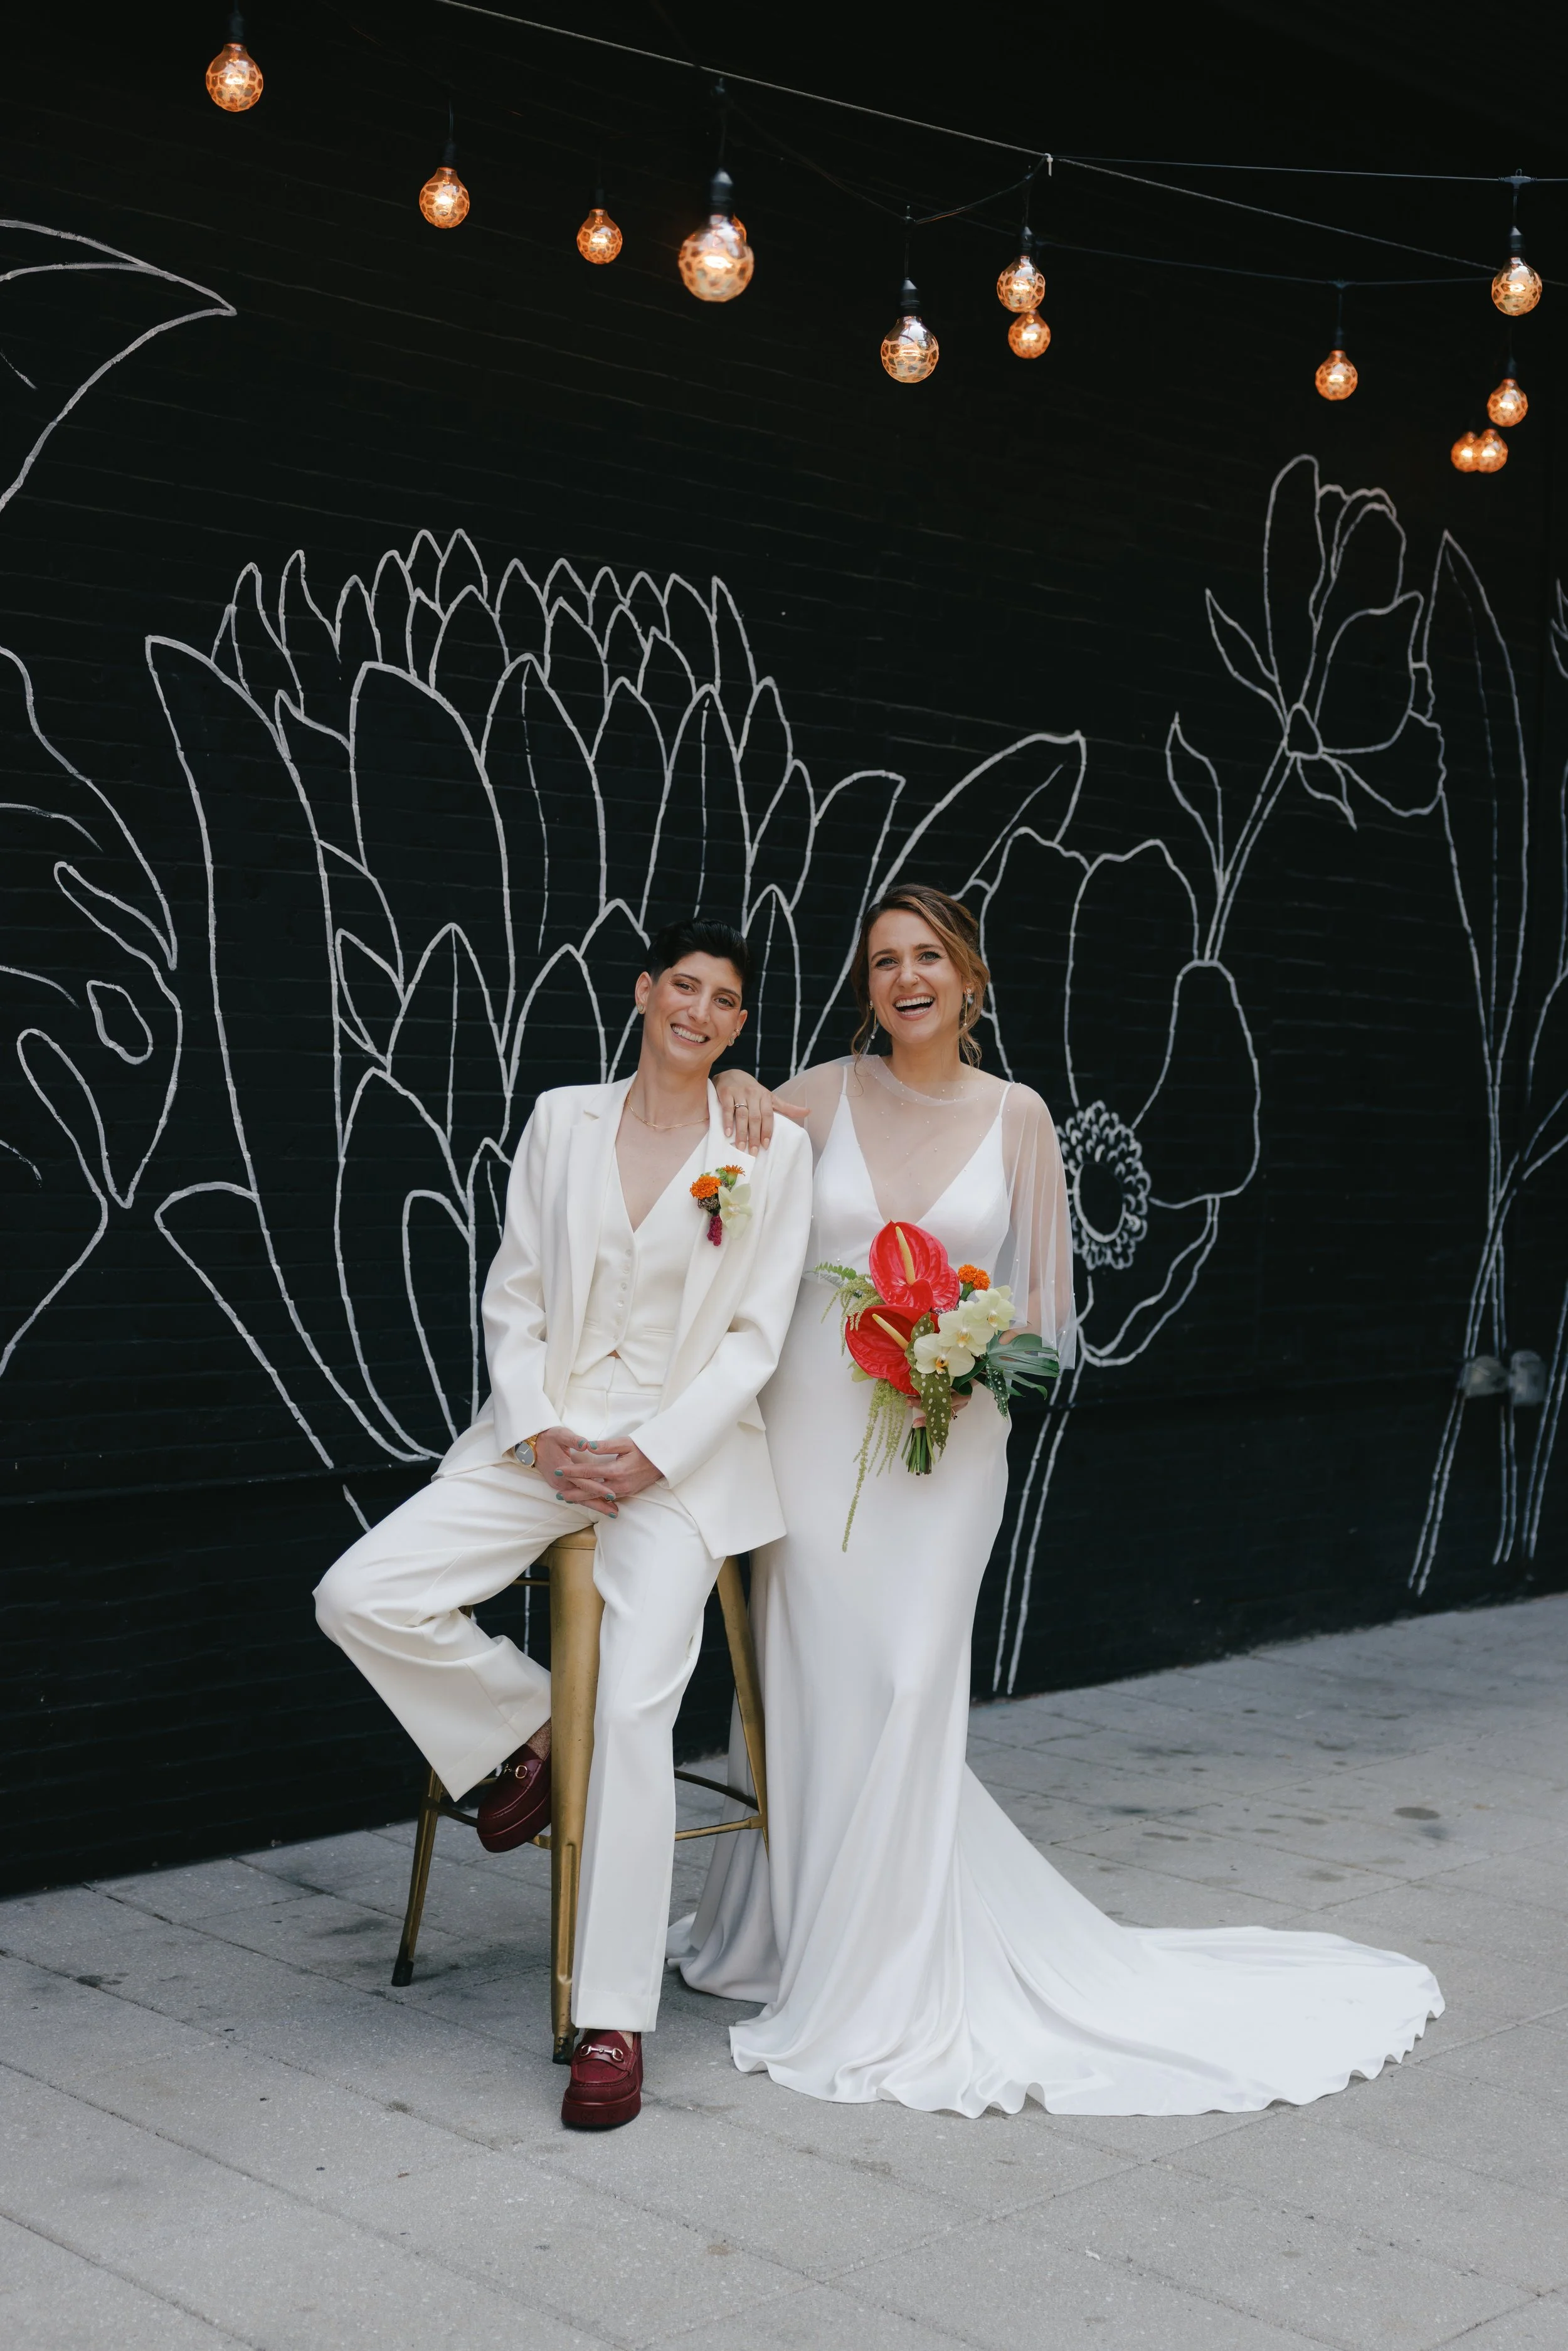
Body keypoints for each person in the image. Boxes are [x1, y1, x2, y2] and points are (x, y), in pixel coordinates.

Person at [676, 881, 1442, 2118]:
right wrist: (736, 1085)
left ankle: (887, 1971)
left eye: (928, 956)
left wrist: (962, 1354)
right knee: (811, 1674)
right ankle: (803, 1926)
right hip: (814, 1431)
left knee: (909, 1679)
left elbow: (1044, 1307)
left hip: (949, 1440)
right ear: (865, 985)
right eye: (884, 960)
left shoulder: (1018, 1114)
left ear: (969, 978)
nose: (905, 977)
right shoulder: (821, 1091)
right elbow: (717, 1126)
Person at [315, 918, 813, 2130]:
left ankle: (614, 2021)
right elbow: (516, 1293)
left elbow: (756, 1339)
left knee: (636, 1710)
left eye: (725, 1001)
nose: (698, 1012)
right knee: (358, 1594)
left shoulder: (768, 1150)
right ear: (643, 993)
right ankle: (533, 1722)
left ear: (741, 1025)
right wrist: (540, 1430)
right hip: (545, 1443)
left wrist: (656, 1449)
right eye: (682, 987)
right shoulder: (561, 1119)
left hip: (677, 1467)